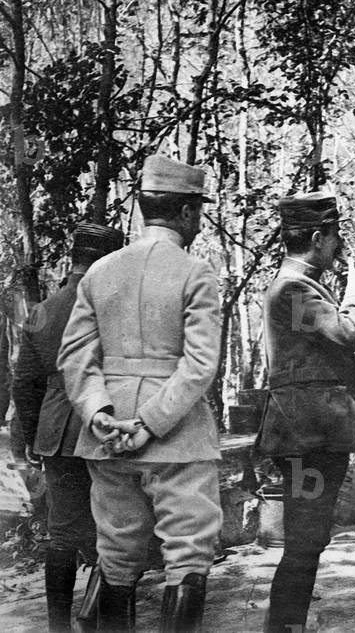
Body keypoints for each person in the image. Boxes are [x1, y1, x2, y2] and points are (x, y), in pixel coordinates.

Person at [58, 154, 223, 633]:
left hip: (107, 438)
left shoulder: (100, 272)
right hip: (177, 438)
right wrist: (149, 423)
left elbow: (75, 358)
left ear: (142, 206)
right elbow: (199, 364)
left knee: (116, 552)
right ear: (189, 212)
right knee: (188, 551)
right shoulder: (196, 273)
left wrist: (98, 414)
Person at [256, 190, 355, 633]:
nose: (337, 245)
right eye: (332, 236)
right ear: (316, 236)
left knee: (310, 539)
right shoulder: (293, 289)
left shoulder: (299, 285)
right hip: (307, 435)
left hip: (310, 433)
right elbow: (347, 333)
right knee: (305, 542)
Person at [12, 223, 123, 632]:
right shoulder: (115, 306)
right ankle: (93, 620)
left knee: (61, 534)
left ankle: (59, 626)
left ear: (74, 257)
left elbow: (25, 384)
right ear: (109, 259)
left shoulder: (43, 311)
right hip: (107, 428)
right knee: (113, 532)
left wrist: (32, 436)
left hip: (57, 433)